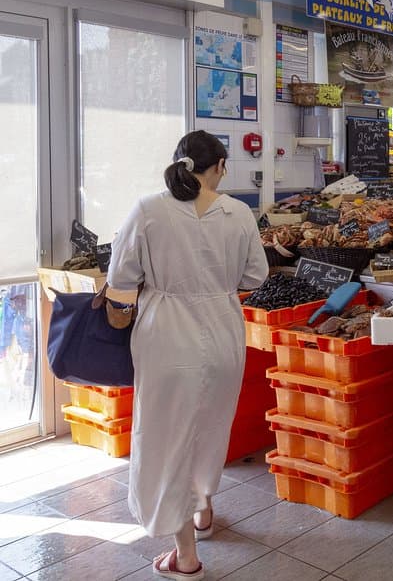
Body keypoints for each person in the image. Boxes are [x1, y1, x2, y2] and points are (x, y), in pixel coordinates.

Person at [107, 131, 269, 580]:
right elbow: (255, 276)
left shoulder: (149, 209)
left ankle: (187, 555)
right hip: (222, 334)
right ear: (219, 165)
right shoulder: (238, 213)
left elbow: (120, 273)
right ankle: (203, 511)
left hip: (165, 336)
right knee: (209, 428)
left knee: (168, 439)